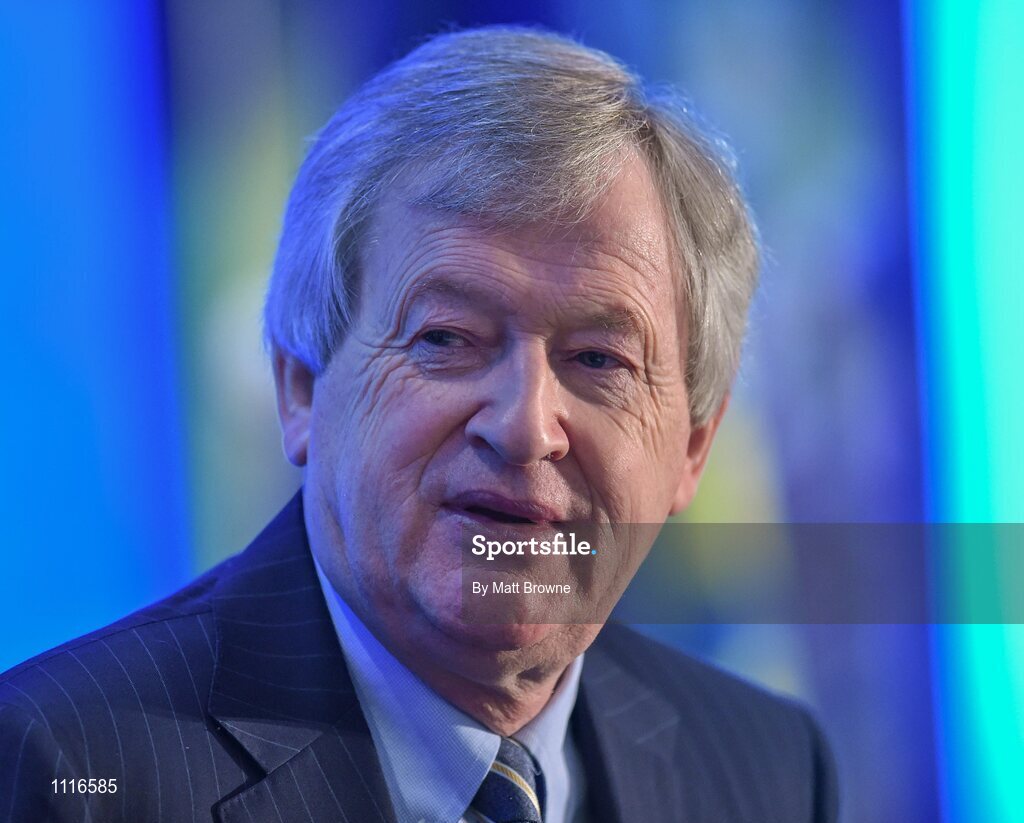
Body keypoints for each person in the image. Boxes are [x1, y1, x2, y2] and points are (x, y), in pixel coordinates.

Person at [0, 26, 837, 822]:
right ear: (300, 386)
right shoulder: (63, 764)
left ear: (694, 445)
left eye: (598, 360)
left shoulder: (768, 765)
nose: (524, 428)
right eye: (447, 339)